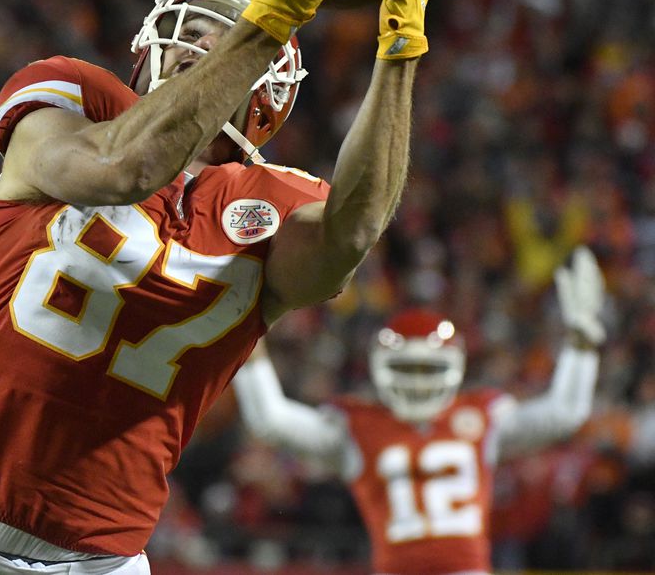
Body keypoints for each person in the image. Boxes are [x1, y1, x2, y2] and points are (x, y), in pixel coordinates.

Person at [0, 0, 433, 572]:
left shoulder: (274, 200)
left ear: (267, 95)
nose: (204, 45)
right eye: (198, 29)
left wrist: (401, 49)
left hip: (100, 559)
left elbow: (351, 233)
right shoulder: (77, 99)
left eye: (227, 35)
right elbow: (124, 167)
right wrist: (269, 19)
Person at [232, 246, 606, 575]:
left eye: (427, 369)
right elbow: (270, 420)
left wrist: (582, 341)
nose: (417, 382)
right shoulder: (367, 426)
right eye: (407, 369)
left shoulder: (471, 418)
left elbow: (564, 414)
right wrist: (245, 327)